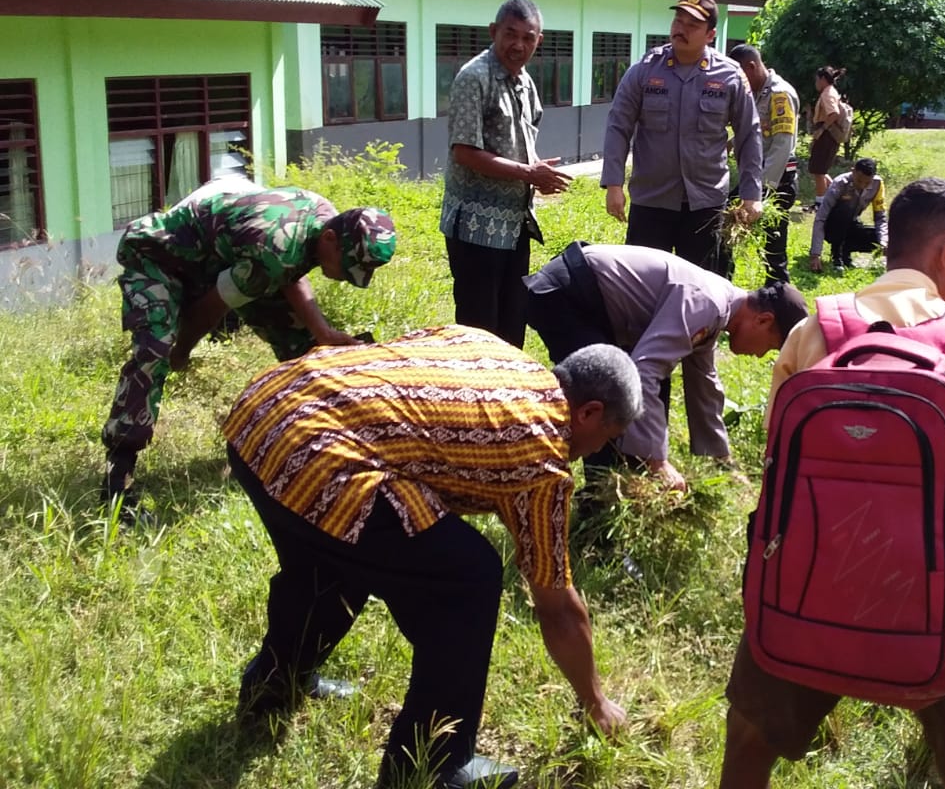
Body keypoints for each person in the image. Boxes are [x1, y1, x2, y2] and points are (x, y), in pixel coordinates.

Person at [226, 328, 641, 789]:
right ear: (589, 412)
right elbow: (558, 607)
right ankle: (432, 765)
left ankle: (273, 686)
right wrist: (597, 703)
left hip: (265, 412)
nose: (599, 451)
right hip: (317, 455)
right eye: (608, 437)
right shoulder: (542, 456)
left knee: (332, 553)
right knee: (469, 579)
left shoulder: (493, 351)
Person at [718, 177, 945, 789]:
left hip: (804, 586)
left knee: (749, 740)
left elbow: (778, 469)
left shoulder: (815, 332)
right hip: (934, 600)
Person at [101, 181, 396, 512]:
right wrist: (181, 350)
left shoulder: (324, 218)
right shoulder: (276, 249)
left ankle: (314, 450)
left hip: (228, 260)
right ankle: (118, 480)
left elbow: (292, 271)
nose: (347, 276)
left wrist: (322, 331)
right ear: (330, 239)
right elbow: (213, 307)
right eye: (349, 265)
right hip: (159, 257)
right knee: (154, 351)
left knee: (308, 351)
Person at [525, 243, 809, 495]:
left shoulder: (719, 309)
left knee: (634, 396)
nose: (760, 355)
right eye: (770, 347)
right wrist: (658, 461)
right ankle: (582, 498)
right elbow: (644, 371)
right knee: (604, 402)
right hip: (566, 296)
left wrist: (722, 461)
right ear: (763, 320)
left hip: (584, 301)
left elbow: (704, 387)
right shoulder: (707, 302)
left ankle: (620, 488)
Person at [439, 0, 573, 349]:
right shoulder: (474, 77)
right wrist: (528, 174)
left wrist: (537, 173)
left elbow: (522, 140)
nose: (518, 45)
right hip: (475, 227)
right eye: (510, 34)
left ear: (538, 41)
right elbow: (465, 152)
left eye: (528, 38)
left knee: (513, 320)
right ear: (493, 32)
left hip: (514, 224)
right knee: (479, 326)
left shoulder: (525, 82)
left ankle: (508, 398)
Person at [601, 0, 763, 274]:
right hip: (652, 201)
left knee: (704, 289)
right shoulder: (644, 70)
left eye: (692, 25)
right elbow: (618, 125)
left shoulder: (730, 76)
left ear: (710, 34)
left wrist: (752, 193)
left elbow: (749, 134)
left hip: (705, 205)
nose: (681, 29)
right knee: (643, 286)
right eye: (678, 20)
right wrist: (613, 184)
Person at [727, 44, 800, 283]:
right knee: (726, 223)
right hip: (757, 179)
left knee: (773, 246)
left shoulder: (779, 95)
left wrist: (761, 191)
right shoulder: (759, 94)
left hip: (775, 181)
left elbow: (781, 146)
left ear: (752, 66)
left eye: (741, 76)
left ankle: (779, 295)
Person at [807, 158, 887, 274]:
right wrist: (815, 254)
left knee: (883, 236)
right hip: (832, 228)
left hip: (852, 224)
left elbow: (880, 217)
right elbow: (821, 218)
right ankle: (837, 256)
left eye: (867, 183)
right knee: (843, 214)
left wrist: (884, 242)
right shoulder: (840, 183)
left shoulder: (878, 184)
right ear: (853, 171)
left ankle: (845, 250)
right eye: (859, 181)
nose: (863, 186)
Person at [807, 66, 846, 204]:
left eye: (817, 80)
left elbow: (834, 113)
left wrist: (822, 129)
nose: (816, 83)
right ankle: (838, 196)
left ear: (823, 79)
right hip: (827, 135)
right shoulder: (830, 92)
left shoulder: (827, 93)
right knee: (820, 170)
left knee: (818, 170)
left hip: (827, 135)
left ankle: (820, 203)